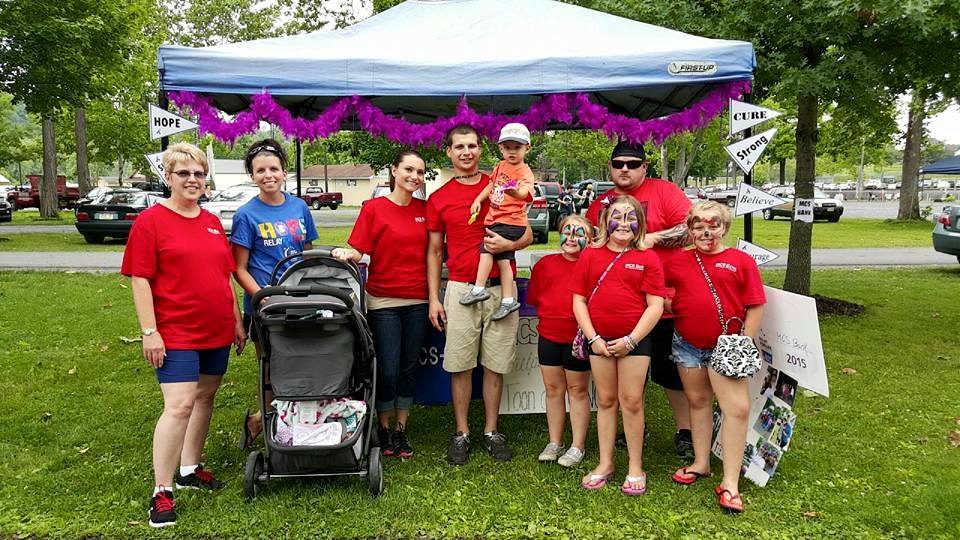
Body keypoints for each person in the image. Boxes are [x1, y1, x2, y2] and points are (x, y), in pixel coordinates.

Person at [121, 142, 246, 528]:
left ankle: (190, 468)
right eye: (183, 174)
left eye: (198, 173)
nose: (192, 180)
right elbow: (140, 280)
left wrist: (237, 320)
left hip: (216, 329)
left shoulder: (210, 221)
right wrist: (149, 331)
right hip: (175, 332)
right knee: (178, 406)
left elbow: (223, 277)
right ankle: (162, 490)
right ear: (168, 178)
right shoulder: (150, 222)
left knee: (205, 397)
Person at [427, 124, 533, 465]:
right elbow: (434, 252)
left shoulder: (501, 182)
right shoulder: (439, 198)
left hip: (502, 290)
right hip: (460, 289)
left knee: (495, 365)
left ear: (481, 149)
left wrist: (510, 244)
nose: (466, 152)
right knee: (459, 365)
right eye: (459, 147)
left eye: (472, 146)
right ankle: (462, 433)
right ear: (448, 151)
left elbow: (528, 233)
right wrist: (433, 297)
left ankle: (490, 430)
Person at [585, 140, 695, 458]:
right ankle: (634, 427)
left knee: (669, 371)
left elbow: (692, 228)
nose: (624, 169)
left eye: (632, 164)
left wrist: (653, 238)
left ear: (644, 167)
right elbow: (594, 244)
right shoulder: (602, 203)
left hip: (664, 303)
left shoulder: (664, 191)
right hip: (618, 306)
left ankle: (685, 431)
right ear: (610, 167)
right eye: (618, 163)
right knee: (626, 376)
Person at [664, 201, 765, 513]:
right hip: (687, 345)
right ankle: (701, 461)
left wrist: (743, 342)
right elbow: (664, 294)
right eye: (698, 226)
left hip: (726, 347)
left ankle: (731, 483)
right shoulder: (677, 262)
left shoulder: (740, 261)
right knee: (698, 401)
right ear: (689, 229)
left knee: (736, 408)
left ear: (724, 227)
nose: (705, 232)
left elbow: (755, 304)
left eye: (713, 225)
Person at [332, 150, 429, 459]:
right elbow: (359, 250)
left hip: (419, 299)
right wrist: (346, 254)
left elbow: (439, 251)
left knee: (409, 366)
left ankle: (401, 429)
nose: (414, 176)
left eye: (420, 172)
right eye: (409, 169)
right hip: (383, 299)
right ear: (394, 170)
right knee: (386, 368)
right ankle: (383, 426)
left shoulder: (427, 210)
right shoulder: (374, 208)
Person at [572, 196, 665, 495]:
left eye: (630, 217)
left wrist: (631, 340)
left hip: (634, 341)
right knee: (607, 401)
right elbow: (579, 300)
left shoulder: (649, 258)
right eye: (617, 216)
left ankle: (636, 466)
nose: (623, 224)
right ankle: (606, 462)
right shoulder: (590, 255)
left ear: (640, 223)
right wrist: (594, 339)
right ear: (604, 221)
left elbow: (655, 305)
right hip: (599, 341)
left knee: (632, 401)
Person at [231, 138, 318, 450]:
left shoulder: (299, 208)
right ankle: (267, 422)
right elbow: (238, 268)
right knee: (272, 368)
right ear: (252, 176)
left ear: (284, 172)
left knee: (302, 363)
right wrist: (262, 296)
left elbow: (306, 254)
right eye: (260, 170)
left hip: (298, 302)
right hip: (264, 307)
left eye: (274, 168)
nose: (268, 175)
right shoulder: (246, 215)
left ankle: (283, 420)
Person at [526, 214, 594, 467]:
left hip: (577, 340)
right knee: (553, 390)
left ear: (591, 239)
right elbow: (536, 299)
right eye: (567, 231)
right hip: (549, 336)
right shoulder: (545, 265)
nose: (572, 238)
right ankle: (555, 441)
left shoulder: (592, 266)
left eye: (580, 234)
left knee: (578, 390)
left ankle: (578, 445)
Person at [460, 122, 534, 321]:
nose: (512, 152)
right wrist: (478, 200)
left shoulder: (524, 171)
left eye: (517, 148)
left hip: (510, 222)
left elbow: (525, 193)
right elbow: (492, 185)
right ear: (500, 148)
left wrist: (514, 192)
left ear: (527, 148)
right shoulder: (500, 166)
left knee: (486, 250)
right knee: (504, 261)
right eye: (507, 147)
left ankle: (478, 288)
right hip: (499, 220)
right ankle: (508, 300)